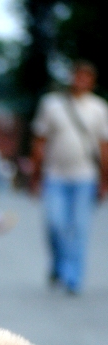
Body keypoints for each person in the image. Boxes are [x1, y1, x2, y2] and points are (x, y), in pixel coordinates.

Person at [32, 60, 108, 294]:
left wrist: (104, 179)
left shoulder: (99, 108)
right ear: (71, 77)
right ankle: (58, 264)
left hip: (85, 176)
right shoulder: (52, 104)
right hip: (55, 174)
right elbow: (40, 140)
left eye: (87, 77)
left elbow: (103, 145)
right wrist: (35, 173)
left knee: (79, 227)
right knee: (55, 224)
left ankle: (72, 277)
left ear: (92, 82)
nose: (81, 81)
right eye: (78, 76)